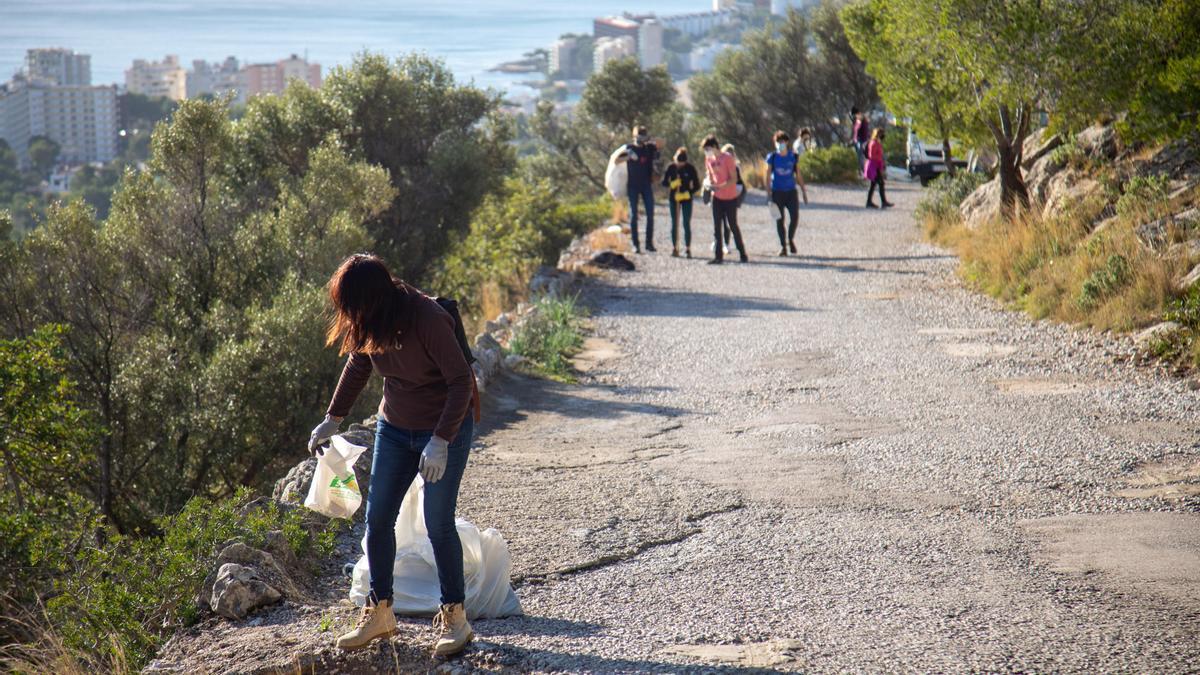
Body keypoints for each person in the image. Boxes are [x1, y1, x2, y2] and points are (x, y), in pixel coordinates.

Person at [309, 254, 478, 657]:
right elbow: (357, 366)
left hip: (444, 428)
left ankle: (456, 617)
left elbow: (460, 383)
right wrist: (332, 419)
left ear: (372, 298)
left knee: (438, 523)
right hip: (396, 428)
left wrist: (440, 440)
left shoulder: (426, 318)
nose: (347, 314)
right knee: (378, 518)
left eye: (351, 305)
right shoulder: (371, 321)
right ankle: (380, 612)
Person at [702, 135, 748, 264]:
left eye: (708, 148)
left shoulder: (727, 158)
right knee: (717, 227)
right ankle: (718, 256)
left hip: (730, 197)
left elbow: (733, 179)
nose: (706, 151)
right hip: (716, 197)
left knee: (733, 225)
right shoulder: (708, 160)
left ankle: (743, 253)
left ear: (714, 146)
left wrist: (720, 186)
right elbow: (710, 176)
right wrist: (708, 184)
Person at [765, 130, 809, 256]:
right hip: (777, 192)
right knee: (779, 220)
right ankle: (783, 246)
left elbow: (798, 174)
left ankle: (790, 239)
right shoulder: (772, 157)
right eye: (777, 142)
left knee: (794, 217)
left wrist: (803, 191)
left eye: (782, 142)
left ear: (787, 143)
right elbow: (767, 175)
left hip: (791, 192)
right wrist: (768, 192)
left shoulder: (793, 157)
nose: (780, 144)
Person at [623, 125, 660, 254]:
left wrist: (654, 144)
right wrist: (628, 156)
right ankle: (635, 244)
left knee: (650, 214)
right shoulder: (629, 148)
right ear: (634, 136)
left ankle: (649, 243)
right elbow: (616, 160)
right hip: (632, 185)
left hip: (646, 185)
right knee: (633, 215)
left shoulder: (648, 149)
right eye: (640, 136)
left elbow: (660, 146)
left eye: (644, 137)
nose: (642, 139)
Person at [661, 147, 700, 258]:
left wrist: (689, 193)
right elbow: (664, 182)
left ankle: (687, 248)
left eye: (682, 164)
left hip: (686, 198)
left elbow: (697, 185)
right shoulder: (671, 167)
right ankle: (675, 247)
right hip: (674, 199)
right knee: (675, 223)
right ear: (675, 160)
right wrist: (672, 184)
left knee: (686, 223)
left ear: (685, 162)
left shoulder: (690, 168)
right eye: (678, 163)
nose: (680, 165)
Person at [864, 128, 893, 209]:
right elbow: (872, 156)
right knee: (880, 183)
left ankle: (869, 202)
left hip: (876, 165)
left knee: (873, 184)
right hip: (873, 166)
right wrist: (880, 160)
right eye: (882, 134)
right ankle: (883, 202)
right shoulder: (873, 143)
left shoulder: (877, 143)